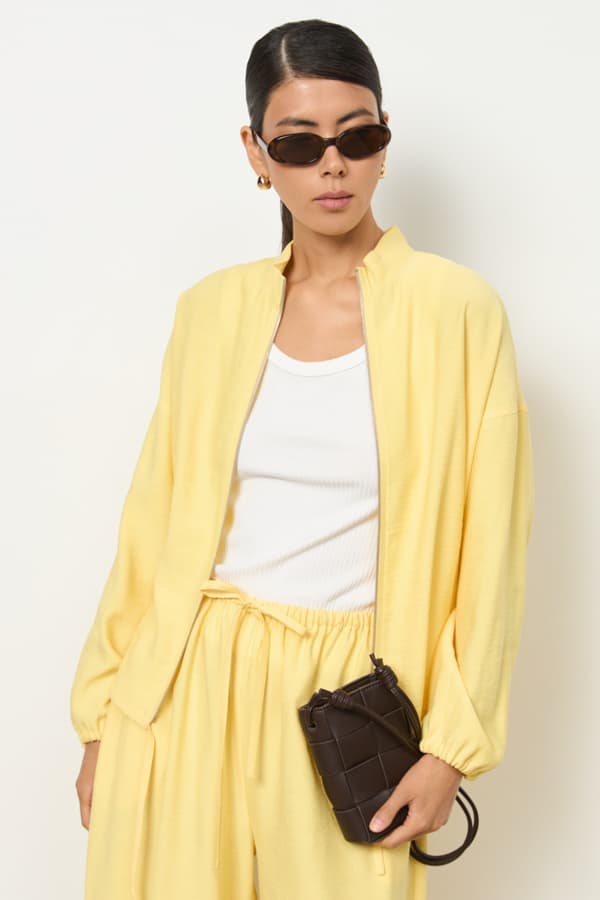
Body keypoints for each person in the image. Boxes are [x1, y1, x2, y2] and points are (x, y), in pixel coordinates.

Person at [71, 17, 534, 900]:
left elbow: (493, 552)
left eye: (357, 138)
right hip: (184, 682)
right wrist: (102, 720)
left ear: (385, 143)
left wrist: (451, 748)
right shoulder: (211, 311)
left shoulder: (457, 312)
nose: (333, 166)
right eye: (298, 142)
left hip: (352, 700)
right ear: (256, 152)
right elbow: (150, 528)